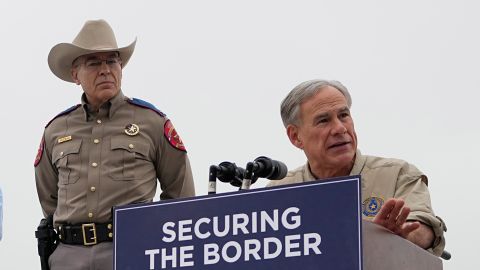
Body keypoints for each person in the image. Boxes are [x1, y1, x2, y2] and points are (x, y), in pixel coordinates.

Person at [34, 19, 195, 269]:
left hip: (133, 251)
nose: (105, 69)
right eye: (94, 62)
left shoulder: (151, 122)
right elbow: (49, 199)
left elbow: (180, 196)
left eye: (112, 61)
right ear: (75, 74)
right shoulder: (56, 129)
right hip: (69, 256)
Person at [268, 79, 446, 256]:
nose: (339, 128)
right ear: (295, 136)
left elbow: (424, 228)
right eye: (323, 120)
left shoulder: (396, 174)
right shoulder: (277, 193)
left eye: (344, 115)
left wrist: (400, 237)